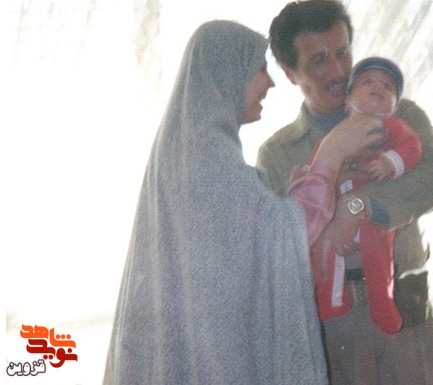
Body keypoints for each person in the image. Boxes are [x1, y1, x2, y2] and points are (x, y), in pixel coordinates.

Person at [102, 19, 384, 385]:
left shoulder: (194, 147)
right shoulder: (205, 153)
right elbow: (281, 235)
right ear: (228, 74)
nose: (269, 83)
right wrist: (331, 155)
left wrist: (313, 183)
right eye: (260, 69)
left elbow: (254, 232)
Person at [257, 0, 433, 385]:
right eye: (319, 61)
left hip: (404, 315)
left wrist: (360, 204)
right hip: (330, 328)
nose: (338, 71)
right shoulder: (278, 153)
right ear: (290, 72)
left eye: (343, 53)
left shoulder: (402, 117)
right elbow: (281, 247)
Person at [311, 57, 422, 336]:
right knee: (324, 253)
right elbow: (317, 174)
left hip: (371, 217)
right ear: (348, 101)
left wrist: (390, 162)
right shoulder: (333, 137)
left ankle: (383, 304)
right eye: (367, 82)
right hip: (334, 217)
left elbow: (412, 147)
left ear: (394, 106)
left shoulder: (393, 129)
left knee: (379, 257)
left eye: (387, 86)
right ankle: (331, 301)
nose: (378, 88)